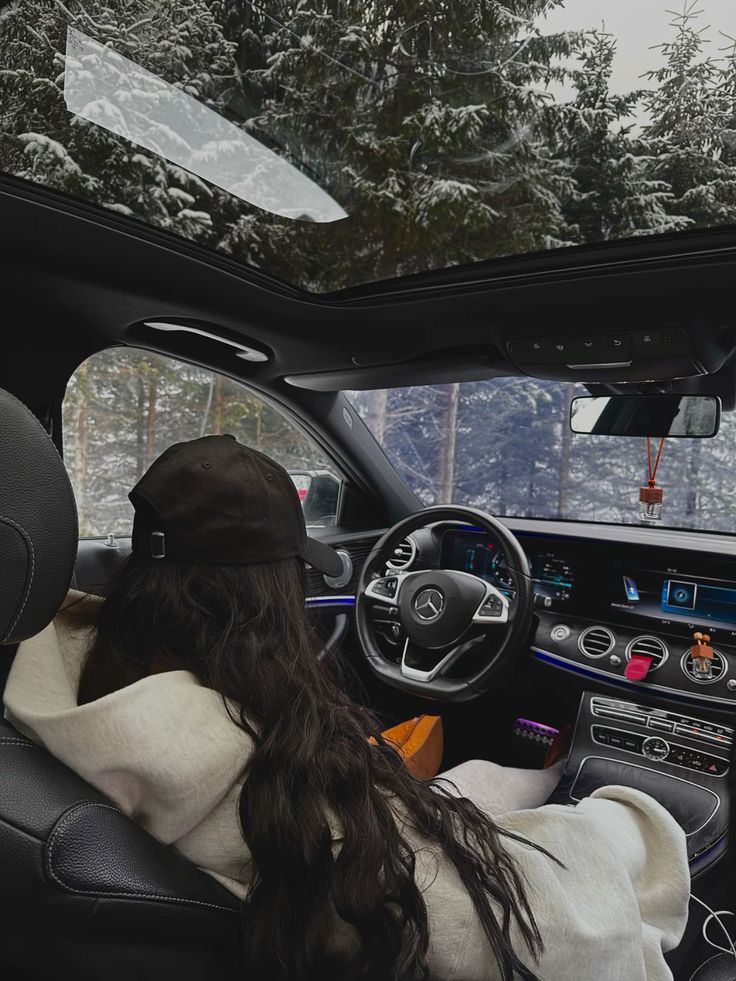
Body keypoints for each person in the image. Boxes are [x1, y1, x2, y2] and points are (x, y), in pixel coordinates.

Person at [3, 435, 690, 981]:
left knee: (479, 773)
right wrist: (626, 823)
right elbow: (518, 918)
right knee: (589, 815)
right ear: (271, 597)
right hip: (394, 851)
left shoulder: (56, 671)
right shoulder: (269, 787)